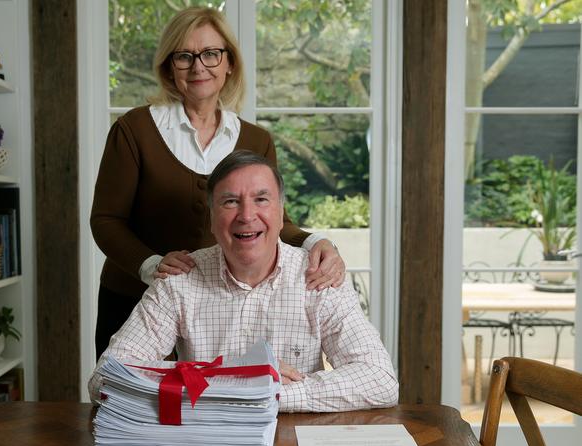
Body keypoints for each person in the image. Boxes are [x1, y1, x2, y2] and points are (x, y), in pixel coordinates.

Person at [90, 7, 347, 359]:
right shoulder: (134, 130)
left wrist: (319, 242)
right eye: (185, 56)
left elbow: (269, 220)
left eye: (211, 54)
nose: (199, 67)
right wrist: (151, 265)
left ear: (229, 64)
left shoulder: (257, 140)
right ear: (169, 66)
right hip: (134, 302)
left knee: (215, 405)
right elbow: (106, 220)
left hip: (213, 313)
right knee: (133, 404)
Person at [89, 150, 398, 412]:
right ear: (211, 219)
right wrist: (228, 378)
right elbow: (105, 379)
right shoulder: (179, 280)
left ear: (280, 214)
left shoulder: (319, 276)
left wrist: (276, 394)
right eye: (230, 202)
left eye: (261, 199)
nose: (247, 215)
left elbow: (380, 379)